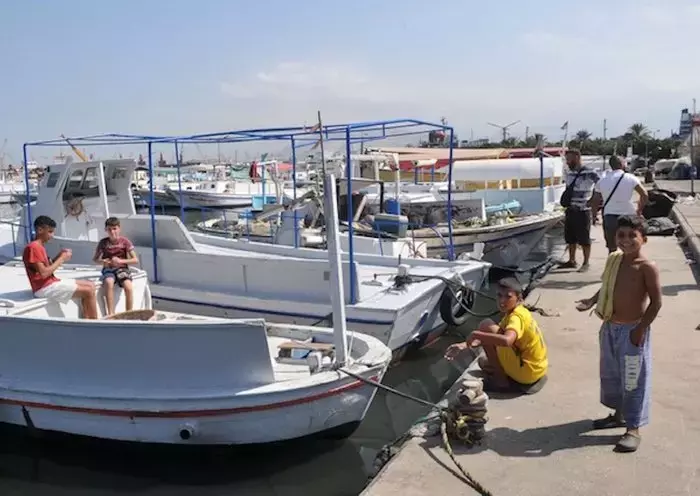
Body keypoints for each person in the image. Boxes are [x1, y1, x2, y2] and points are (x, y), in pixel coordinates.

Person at [575, 215, 661, 453]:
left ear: (643, 238)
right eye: (621, 235)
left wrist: (641, 329)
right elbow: (607, 285)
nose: (626, 240)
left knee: (634, 379)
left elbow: (656, 303)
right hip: (610, 328)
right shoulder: (616, 260)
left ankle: (633, 428)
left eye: (632, 235)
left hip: (633, 331)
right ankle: (619, 415)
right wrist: (591, 301)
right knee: (612, 374)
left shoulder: (646, 267)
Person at [445, 277, 548, 394]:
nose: (502, 300)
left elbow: (507, 340)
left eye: (508, 297)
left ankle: (501, 382)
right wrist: (464, 345)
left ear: (519, 299)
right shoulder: (518, 311)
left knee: (486, 325)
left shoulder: (516, 317)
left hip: (527, 372)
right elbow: (491, 337)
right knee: (483, 362)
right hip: (536, 369)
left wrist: (475, 334)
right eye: (499, 295)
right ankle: (506, 375)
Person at [22, 215, 98, 319]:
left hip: (51, 282)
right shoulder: (33, 247)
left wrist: (59, 255)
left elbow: (47, 267)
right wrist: (62, 258)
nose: (52, 235)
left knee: (91, 285)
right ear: (40, 230)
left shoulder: (39, 246)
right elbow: (43, 273)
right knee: (88, 291)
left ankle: (87, 319)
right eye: (50, 232)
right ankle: (95, 324)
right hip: (43, 288)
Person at [591, 156, 649, 253]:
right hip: (629, 216)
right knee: (631, 245)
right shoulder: (631, 178)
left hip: (609, 215)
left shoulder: (602, 180)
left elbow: (595, 200)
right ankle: (630, 265)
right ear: (622, 164)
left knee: (612, 247)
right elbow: (644, 194)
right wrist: (639, 210)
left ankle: (613, 266)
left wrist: (594, 215)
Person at [560, 149, 600, 272]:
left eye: (569, 159)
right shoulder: (569, 173)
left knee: (584, 238)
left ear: (577, 157)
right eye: (566, 160)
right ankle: (572, 260)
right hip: (571, 209)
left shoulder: (590, 172)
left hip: (583, 210)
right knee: (570, 237)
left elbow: (601, 186)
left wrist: (593, 199)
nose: (567, 162)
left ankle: (586, 263)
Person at [93, 217, 139, 315]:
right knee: (109, 282)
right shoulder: (103, 243)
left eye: (114, 229)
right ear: (106, 230)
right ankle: (111, 313)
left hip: (122, 268)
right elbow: (95, 259)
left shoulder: (125, 242)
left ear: (119, 228)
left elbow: (135, 260)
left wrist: (121, 261)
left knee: (128, 286)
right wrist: (103, 261)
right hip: (109, 268)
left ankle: (129, 313)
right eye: (109, 229)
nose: (112, 232)